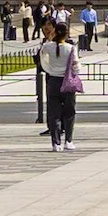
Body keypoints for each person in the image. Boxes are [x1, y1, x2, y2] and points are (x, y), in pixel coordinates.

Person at [39, 24, 79, 154]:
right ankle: (68, 140)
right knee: (69, 112)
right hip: (67, 82)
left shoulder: (48, 47)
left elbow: (42, 57)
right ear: (66, 34)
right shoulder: (70, 48)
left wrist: (49, 69)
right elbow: (76, 67)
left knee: (54, 114)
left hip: (53, 81)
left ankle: (56, 142)